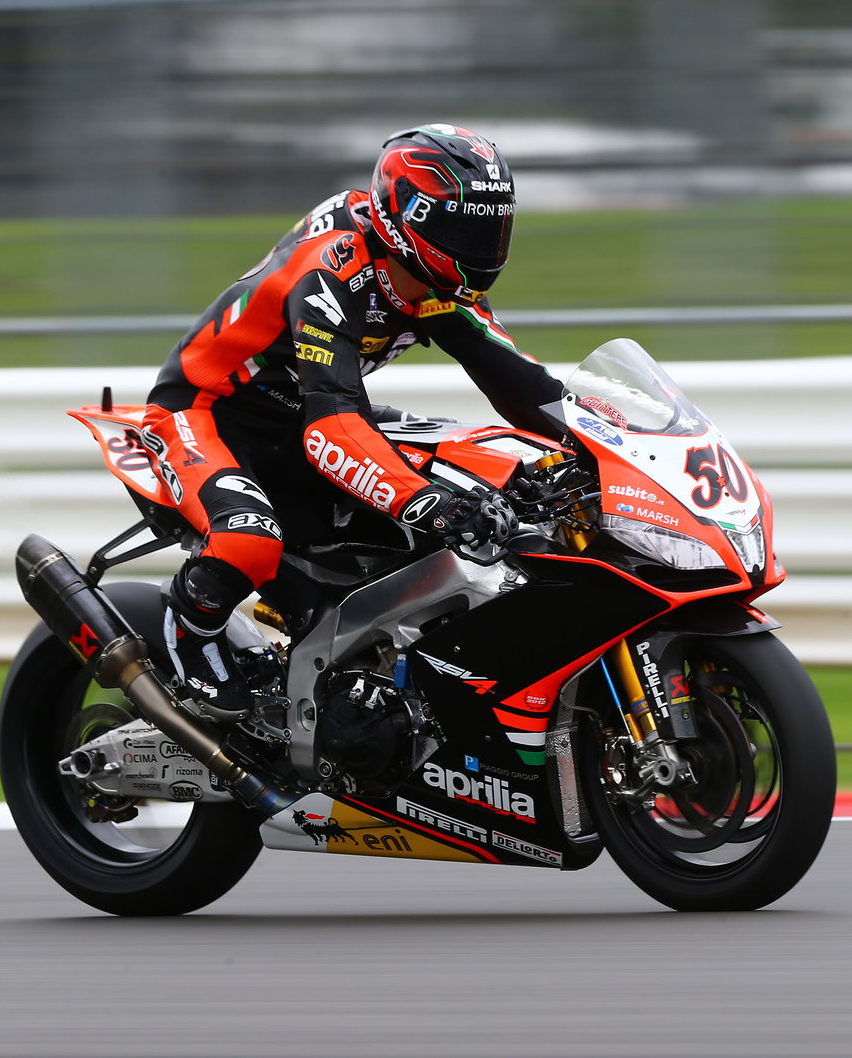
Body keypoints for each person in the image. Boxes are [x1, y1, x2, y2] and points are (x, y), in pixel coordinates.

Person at [144, 124, 564, 708]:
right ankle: (187, 633)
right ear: (409, 214)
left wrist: (600, 446)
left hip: (303, 415)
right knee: (248, 540)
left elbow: (521, 385)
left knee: (489, 462)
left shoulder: (436, 282)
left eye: (491, 225)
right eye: (463, 225)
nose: (480, 242)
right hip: (205, 412)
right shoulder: (332, 270)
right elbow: (331, 428)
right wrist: (424, 500)